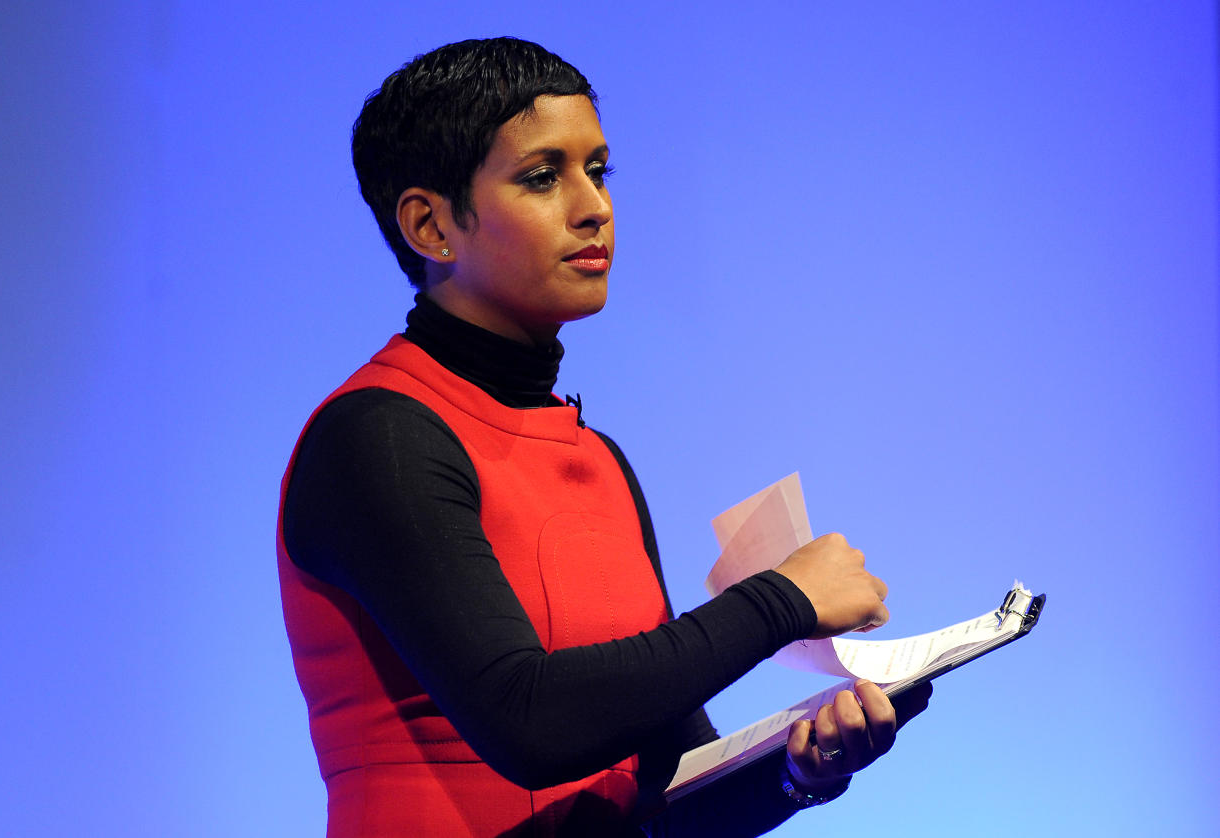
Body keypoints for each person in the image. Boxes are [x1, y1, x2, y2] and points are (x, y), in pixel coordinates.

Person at [277, 37, 931, 837]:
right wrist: (782, 601)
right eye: (542, 176)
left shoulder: (596, 459)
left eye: (598, 169)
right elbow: (529, 721)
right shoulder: (376, 438)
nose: (594, 206)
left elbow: (666, 789)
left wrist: (801, 771)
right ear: (431, 225)